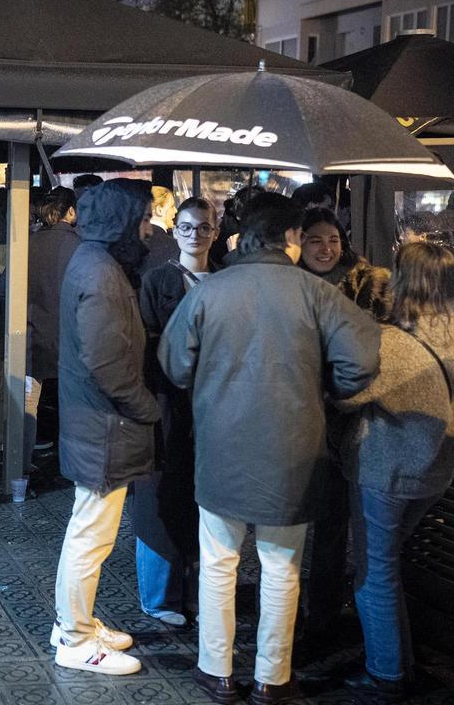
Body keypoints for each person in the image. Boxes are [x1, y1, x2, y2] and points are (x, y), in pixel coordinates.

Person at [159, 193, 380, 704]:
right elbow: (362, 358)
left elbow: (174, 363)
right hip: (293, 450)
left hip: (220, 445)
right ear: (292, 238)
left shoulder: (211, 291)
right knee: (282, 566)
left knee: (219, 561)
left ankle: (216, 670)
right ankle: (272, 679)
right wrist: (331, 390)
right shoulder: (316, 293)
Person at [333, 242, 454, 701]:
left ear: (404, 279)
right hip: (436, 467)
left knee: (374, 573)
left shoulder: (389, 343)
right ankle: (400, 661)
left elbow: (346, 397)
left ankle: (386, 675)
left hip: (388, 471)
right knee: (389, 564)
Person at [50, 179, 157, 676]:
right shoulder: (101, 273)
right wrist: (147, 407)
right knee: (91, 535)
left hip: (95, 422)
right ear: (122, 221)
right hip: (104, 426)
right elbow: (107, 362)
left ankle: (73, 623)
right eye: (144, 217)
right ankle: (75, 640)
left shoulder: (95, 261)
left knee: (88, 531)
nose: (149, 227)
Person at [298, 206, 392, 642]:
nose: (326, 248)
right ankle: (291, 604)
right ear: (298, 243)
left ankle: (326, 612)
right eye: (315, 240)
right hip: (300, 416)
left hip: (349, 417)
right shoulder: (289, 284)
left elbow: (378, 345)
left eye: (333, 240)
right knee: (293, 522)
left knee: (337, 521)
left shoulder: (366, 284)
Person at [133, 196, 218, 628]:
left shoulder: (226, 280)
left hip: (211, 408)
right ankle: (160, 594)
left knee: (207, 502)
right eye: (186, 227)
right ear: (174, 229)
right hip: (167, 405)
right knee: (161, 498)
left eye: (203, 227)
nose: (194, 235)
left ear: (215, 232)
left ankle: (202, 593)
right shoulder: (156, 280)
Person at [0, 187, 79, 470]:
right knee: (74, 403)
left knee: (27, 402)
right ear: (71, 211)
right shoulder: (80, 246)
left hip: (32, 334)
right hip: (70, 338)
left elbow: (4, 289)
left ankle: (19, 464)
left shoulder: (28, 243)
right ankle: (75, 463)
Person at [145, 185, 179, 269]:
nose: (175, 211)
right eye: (172, 206)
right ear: (159, 210)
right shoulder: (174, 246)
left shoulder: (133, 241)